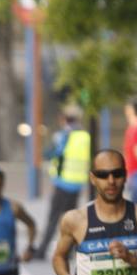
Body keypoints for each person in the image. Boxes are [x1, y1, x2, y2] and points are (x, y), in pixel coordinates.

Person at [38, 108, 91, 255]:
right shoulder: (85, 136)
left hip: (62, 183)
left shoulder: (64, 135)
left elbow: (51, 153)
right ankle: (71, 251)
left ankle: (42, 250)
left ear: (63, 119)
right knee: (71, 219)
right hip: (77, 184)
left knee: (53, 218)